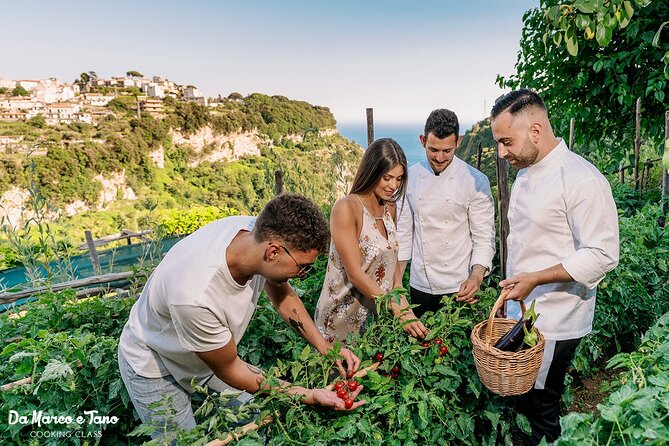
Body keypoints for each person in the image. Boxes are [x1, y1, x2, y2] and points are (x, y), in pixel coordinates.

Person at [118, 193, 363, 439]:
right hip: (154, 363)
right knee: (182, 441)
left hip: (207, 354)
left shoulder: (253, 233)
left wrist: (326, 347)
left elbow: (281, 293)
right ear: (273, 252)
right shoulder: (196, 296)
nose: (303, 274)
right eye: (302, 266)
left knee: (258, 424)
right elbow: (231, 369)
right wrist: (308, 394)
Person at [490, 89, 619, 445]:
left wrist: (536, 278)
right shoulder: (526, 172)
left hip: (557, 318)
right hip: (528, 311)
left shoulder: (581, 179)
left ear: (535, 130)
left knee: (542, 405)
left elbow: (603, 253)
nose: (501, 152)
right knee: (527, 396)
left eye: (506, 141)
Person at [315, 138, 428, 342]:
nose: (393, 186)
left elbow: (394, 276)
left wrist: (406, 310)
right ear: (372, 172)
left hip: (376, 316)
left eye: (399, 178)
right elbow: (356, 274)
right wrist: (398, 310)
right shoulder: (346, 209)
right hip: (341, 316)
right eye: (387, 178)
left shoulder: (389, 207)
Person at [395, 109, 495, 318]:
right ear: (423, 140)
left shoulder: (475, 181)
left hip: (461, 285)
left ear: (457, 142)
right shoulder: (410, 178)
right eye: (433, 150)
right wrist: (397, 286)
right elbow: (404, 234)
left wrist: (476, 278)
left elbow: (483, 238)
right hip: (421, 283)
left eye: (447, 151)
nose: (440, 157)